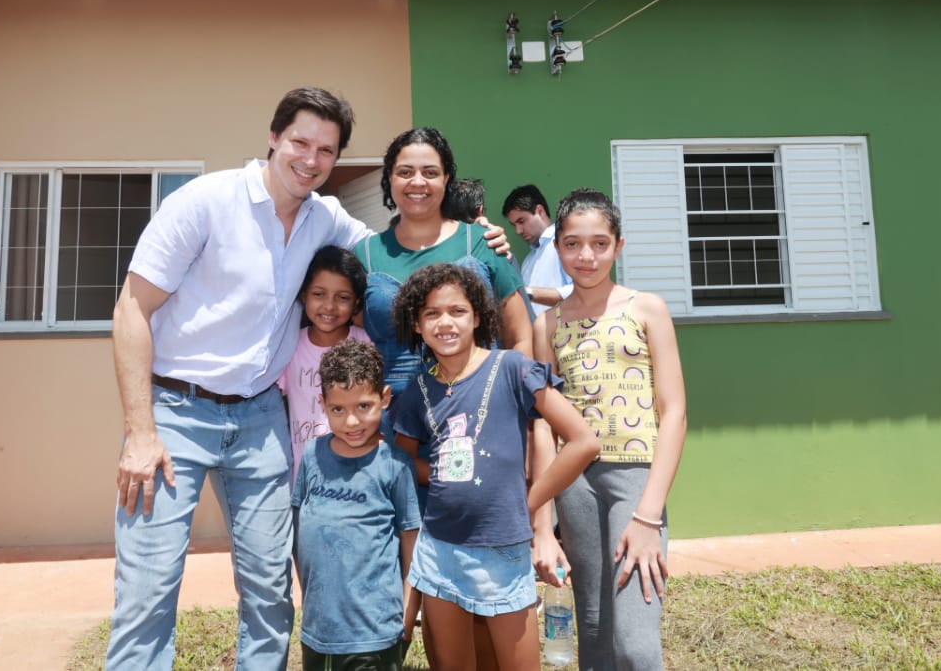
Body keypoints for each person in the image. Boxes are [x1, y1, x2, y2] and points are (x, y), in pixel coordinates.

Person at [106, 87, 373, 670]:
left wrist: (479, 237)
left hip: (259, 419)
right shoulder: (205, 201)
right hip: (174, 413)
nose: (311, 159)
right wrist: (140, 432)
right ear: (274, 137)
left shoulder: (325, 216)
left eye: (326, 150)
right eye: (300, 142)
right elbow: (131, 309)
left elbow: (394, 254)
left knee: (271, 592)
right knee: (147, 593)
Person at [390, 263, 599, 670]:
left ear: (478, 317)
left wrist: (530, 503)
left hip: (504, 552)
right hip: (440, 552)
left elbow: (583, 441)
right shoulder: (418, 389)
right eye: (431, 314)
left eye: (457, 311)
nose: (444, 323)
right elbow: (401, 457)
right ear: (416, 324)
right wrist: (437, 473)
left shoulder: (512, 369)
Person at [530, 188, 688, 671]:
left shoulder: (647, 309)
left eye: (600, 243)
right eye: (573, 244)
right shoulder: (548, 325)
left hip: (636, 482)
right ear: (557, 249)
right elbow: (542, 424)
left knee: (635, 643)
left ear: (619, 246)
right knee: (595, 636)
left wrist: (648, 517)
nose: (586, 255)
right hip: (574, 485)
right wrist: (542, 524)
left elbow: (675, 411)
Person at [356, 128, 532, 436]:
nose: (418, 182)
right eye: (405, 172)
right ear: (390, 178)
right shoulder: (366, 254)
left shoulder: (481, 242)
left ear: (446, 178)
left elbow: (520, 334)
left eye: (430, 172)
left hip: (480, 418)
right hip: (392, 426)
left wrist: (521, 413)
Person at [292, 339, 421, 671]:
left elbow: (411, 541)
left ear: (385, 398)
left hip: (375, 633)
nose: (351, 422)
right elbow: (299, 530)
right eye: (338, 409)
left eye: (363, 406)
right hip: (318, 630)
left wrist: (408, 614)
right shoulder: (311, 456)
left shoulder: (395, 465)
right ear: (322, 404)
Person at [279, 245, 372, 483]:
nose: (329, 306)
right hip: (306, 480)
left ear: (356, 303)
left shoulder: (365, 342)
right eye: (318, 294)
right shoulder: (290, 346)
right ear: (303, 295)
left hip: (359, 475)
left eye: (342, 298)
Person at [501, 184, 572, 308]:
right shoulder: (528, 262)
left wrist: (530, 293)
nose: (518, 230)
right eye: (514, 225)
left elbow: (584, 291)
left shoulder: (566, 242)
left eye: (521, 221)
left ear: (540, 211)